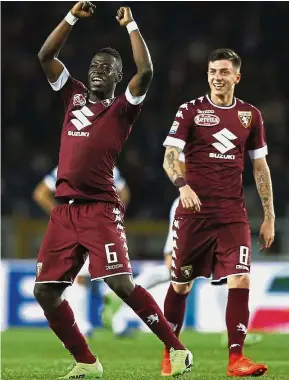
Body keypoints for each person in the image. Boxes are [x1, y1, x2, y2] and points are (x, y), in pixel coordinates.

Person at [33, 2, 192, 379]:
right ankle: (87, 362)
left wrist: (131, 23)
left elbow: (147, 70)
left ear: (118, 78)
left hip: (101, 208)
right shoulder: (71, 96)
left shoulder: (122, 109)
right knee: (45, 292)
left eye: (107, 68)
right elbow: (45, 55)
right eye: (94, 66)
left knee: (120, 283)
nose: (98, 71)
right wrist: (71, 16)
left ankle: (177, 348)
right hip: (63, 212)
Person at [161, 48, 275, 377]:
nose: (217, 77)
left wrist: (268, 215)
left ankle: (236, 358)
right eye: (212, 71)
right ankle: (170, 351)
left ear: (236, 77)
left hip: (232, 213)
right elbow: (169, 155)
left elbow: (260, 166)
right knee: (181, 284)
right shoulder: (190, 111)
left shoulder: (250, 116)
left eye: (224, 72)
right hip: (193, 213)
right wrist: (183, 185)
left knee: (241, 276)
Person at [33, 166, 130, 337]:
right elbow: (41, 193)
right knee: (88, 277)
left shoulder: (98, 163)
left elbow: (124, 191)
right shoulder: (68, 166)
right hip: (88, 227)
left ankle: (107, 323)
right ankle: (95, 324)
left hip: (97, 227)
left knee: (105, 275)